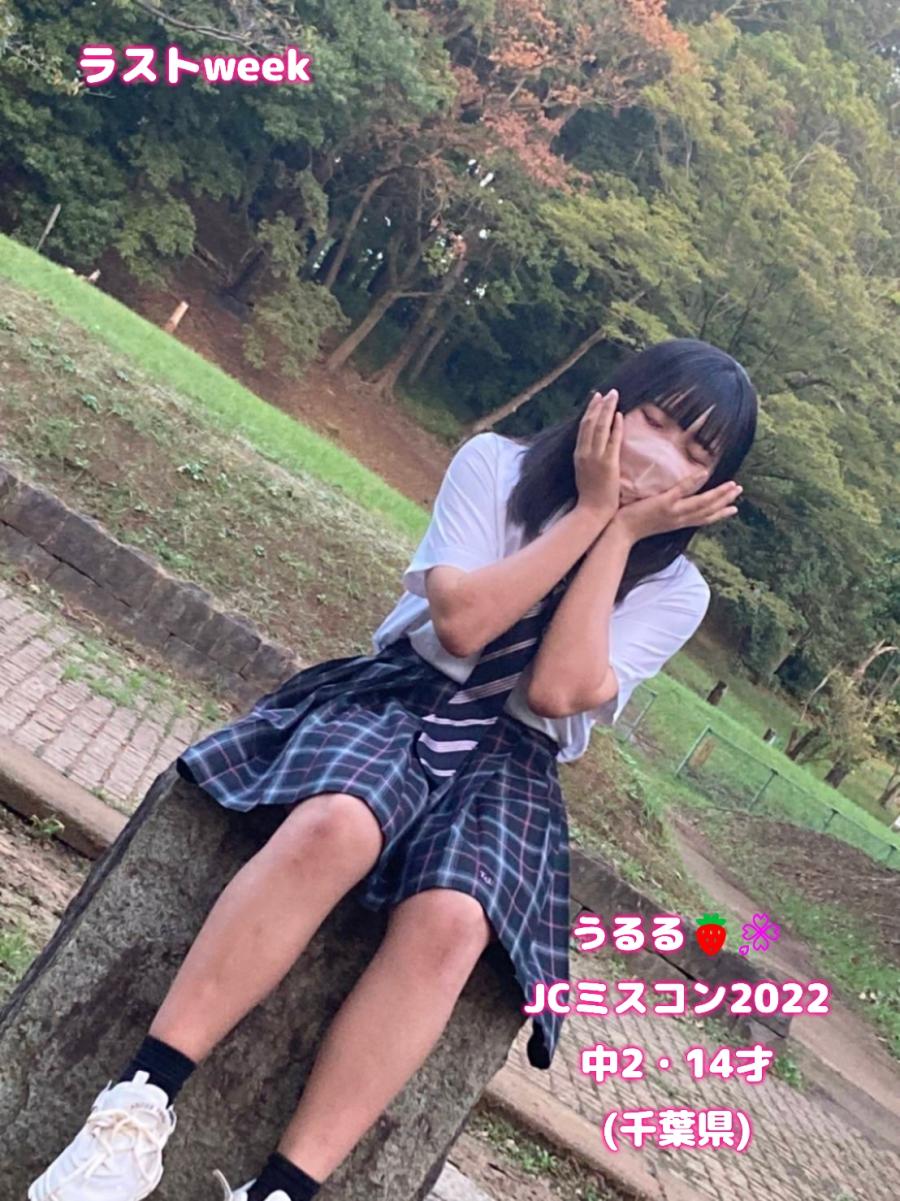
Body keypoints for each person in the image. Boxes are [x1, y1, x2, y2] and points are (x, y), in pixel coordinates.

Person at [28, 337, 757, 1201]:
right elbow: (463, 625)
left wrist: (620, 531)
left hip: (513, 760)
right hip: (402, 695)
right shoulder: (498, 467)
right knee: (339, 822)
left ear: (711, 489)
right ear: (612, 402)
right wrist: (589, 510)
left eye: (696, 453)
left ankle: (285, 1190)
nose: (662, 456)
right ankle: (135, 1107)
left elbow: (558, 689)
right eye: (657, 420)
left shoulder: (676, 591)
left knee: (455, 921)